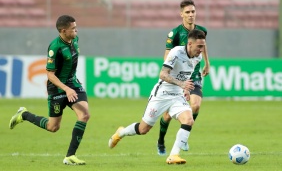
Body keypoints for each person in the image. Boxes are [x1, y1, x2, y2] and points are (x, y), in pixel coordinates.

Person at [108, 29, 206, 164]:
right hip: (162, 94)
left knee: (189, 120)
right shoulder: (176, 52)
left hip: (177, 95)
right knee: (143, 129)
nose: (202, 50)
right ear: (190, 44)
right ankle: (121, 133)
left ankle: (173, 155)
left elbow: (186, 74)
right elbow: (163, 74)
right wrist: (181, 84)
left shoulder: (197, 57)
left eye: (203, 46)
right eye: (199, 46)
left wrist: (186, 89)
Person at [9, 15, 90, 165]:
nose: (76, 30)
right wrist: (66, 89)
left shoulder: (75, 40)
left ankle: (70, 156)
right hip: (57, 89)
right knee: (53, 127)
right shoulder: (55, 47)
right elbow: (50, 75)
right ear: (63, 31)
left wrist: (71, 87)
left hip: (73, 85)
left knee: (84, 115)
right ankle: (24, 115)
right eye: (73, 28)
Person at [157, 0, 210, 155]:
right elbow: (167, 58)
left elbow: (203, 45)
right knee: (167, 115)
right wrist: (175, 78)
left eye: (193, 11)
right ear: (181, 14)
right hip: (178, 78)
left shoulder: (202, 30)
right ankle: (160, 140)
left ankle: (184, 137)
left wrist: (207, 63)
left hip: (194, 74)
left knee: (196, 105)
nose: (191, 15)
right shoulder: (174, 34)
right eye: (187, 12)